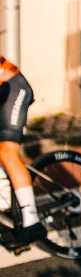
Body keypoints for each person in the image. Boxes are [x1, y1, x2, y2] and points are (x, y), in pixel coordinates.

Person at [0, 55, 46, 246]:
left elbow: (6, 72)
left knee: (7, 151)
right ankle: (4, 198)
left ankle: (32, 222)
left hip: (13, 88)